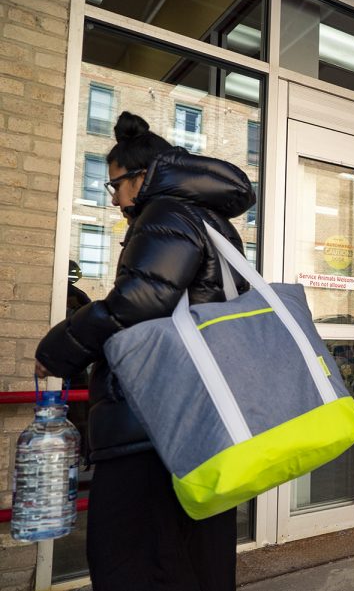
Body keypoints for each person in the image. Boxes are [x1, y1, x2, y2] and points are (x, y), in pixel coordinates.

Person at [34, 111, 255, 591]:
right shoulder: (204, 216)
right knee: (193, 554)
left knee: (131, 556)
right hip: (195, 417)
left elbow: (142, 299)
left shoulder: (167, 214)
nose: (112, 198)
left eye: (114, 185)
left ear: (142, 177)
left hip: (154, 419)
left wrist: (58, 349)